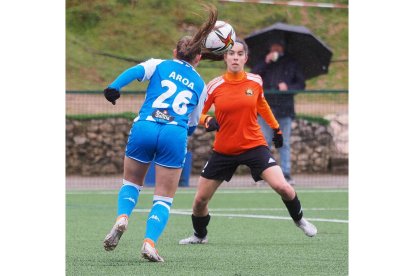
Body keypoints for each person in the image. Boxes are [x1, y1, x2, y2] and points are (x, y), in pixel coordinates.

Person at [102, 5, 218, 262]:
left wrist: (114, 87)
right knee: (163, 197)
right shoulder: (200, 84)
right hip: (173, 133)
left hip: (145, 125)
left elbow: (135, 72)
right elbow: (193, 121)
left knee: (131, 183)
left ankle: (122, 218)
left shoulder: (159, 64)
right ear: (197, 59)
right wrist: (182, 133)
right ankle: (149, 243)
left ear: (175, 52)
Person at [178, 39, 317, 246]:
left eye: (240, 54)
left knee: (284, 188)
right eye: (231, 53)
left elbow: (263, 106)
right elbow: (197, 112)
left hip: (254, 147)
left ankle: (299, 220)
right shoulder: (214, 85)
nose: (235, 57)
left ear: (246, 58)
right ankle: (199, 235)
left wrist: (276, 129)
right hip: (224, 151)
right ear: (225, 57)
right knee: (199, 201)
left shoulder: (255, 81)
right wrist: (206, 120)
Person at [251, 39, 306, 185]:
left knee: (284, 143)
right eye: (273, 45)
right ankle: (263, 174)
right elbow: (252, 76)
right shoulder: (263, 60)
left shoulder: (291, 62)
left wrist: (288, 87)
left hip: (285, 109)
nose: (275, 48)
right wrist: (266, 61)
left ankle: (286, 174)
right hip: (265, 108)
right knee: (264, 142)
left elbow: (301, 84)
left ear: (283, 47)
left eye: (278, 45)